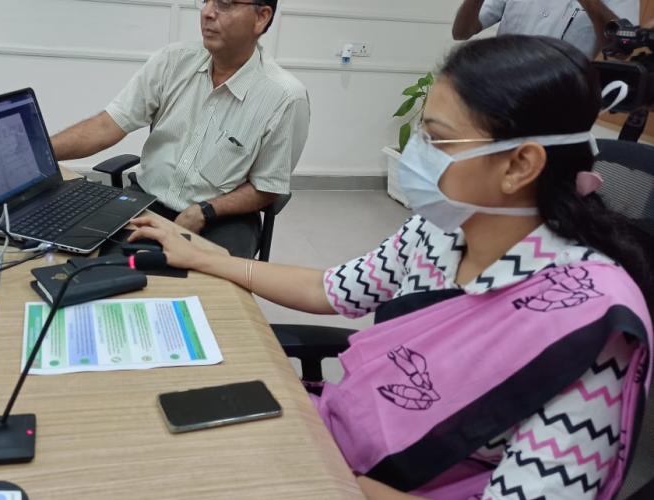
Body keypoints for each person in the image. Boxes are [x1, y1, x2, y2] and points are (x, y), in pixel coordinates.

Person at [130, 36, 654, 499]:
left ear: (520, 165)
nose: (416, 154)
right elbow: (330, 288)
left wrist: (313, 471)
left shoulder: (590, 328)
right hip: (338, 442)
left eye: (437, 139)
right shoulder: (443, 227)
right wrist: (205, 257)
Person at [50, 0, 310, 258]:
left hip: (222, 218)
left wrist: (205, 210)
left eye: (225, 4)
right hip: (146, 202)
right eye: (206, 1)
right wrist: (40, 153)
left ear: (261, 17)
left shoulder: (284, 97)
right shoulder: (172, 62)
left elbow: (266, 187)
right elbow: (107, 125)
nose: (207, 12)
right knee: (84, 263)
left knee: (213, 295)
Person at [452, 0, 639, 58]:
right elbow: (461, 32)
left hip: (560, 96)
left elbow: (622, 51)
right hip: (501, 86)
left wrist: (590, 3)